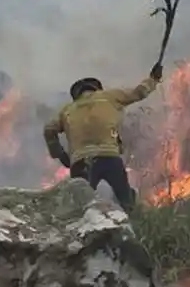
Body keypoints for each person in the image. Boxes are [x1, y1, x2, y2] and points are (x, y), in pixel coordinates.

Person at [43, 62, 164, 213]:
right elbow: (139, 92)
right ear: (96, 88)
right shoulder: (109, 97)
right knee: (126, 200)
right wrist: (153, 79)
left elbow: (49, 129)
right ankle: (134, 228)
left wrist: (60, 154)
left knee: (80, 208)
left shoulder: (67, 110)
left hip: (81, 162)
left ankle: (84, 234)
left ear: (76, 94)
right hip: (110, 158)